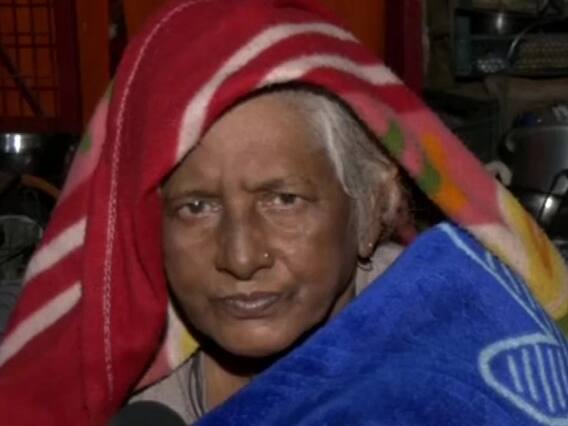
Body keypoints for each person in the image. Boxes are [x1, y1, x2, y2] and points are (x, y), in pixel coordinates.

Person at [0, 0, 567, 424]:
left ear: (372, 208)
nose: (241, 256)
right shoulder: (143, 404)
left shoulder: (464, 355)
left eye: (283, 200)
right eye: (196, 207)